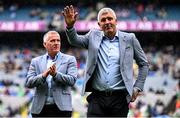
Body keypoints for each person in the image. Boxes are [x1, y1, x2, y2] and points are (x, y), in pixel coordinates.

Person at [62, 5, 149, 117]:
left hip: (120, 99)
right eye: (103, 20)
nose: (107, 22)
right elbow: (75, 40)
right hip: (97, 98)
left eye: (109, 18)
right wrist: (70, 26)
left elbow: (144, 64)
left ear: (116, 21)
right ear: (99, 24)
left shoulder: (129, 38)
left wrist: (137, 87)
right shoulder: (93, 35)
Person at [25, 31, 77, 117]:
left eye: (58, 40)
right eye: (52, 40)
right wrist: (43, 76)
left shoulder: (70, 59)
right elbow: (29, 83)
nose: (56, 43)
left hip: (62, 109)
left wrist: (56, 74)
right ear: (45, 44)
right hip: (40, 109)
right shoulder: (36, 61)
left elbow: (72, 80)